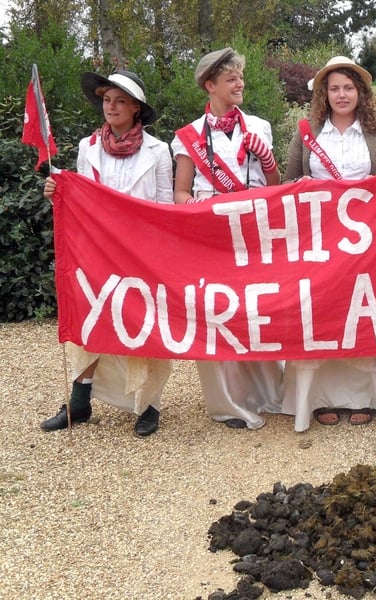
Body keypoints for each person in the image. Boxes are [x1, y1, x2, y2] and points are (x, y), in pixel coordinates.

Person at [40, 70, 173, 437]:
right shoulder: (88, 147)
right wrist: (59, 192)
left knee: (144, 325)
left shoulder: (159, 151)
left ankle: (148, 405)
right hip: (97, 251)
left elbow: (163, 207)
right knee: (90, 317)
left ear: (136, 109)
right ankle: (78, 403)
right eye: (106, 100)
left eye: (120, 101)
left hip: (141, 253)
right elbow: (81, 198)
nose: (110, 107)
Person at [171, 47, 283, 429]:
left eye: (240, 77)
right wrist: (204, 213)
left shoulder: (259, 126)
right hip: (212, 234)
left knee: (257, 308)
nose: (240, 84)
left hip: (253, 231)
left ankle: (268, 393)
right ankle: (229, 402)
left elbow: (275, 187)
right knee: (218, 312)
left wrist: (267, 160)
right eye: (231, 78)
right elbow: (181, 193)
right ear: (210, 86)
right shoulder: (188, 136)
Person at [282, 56, 376, 431]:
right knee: (321, 310)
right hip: (317, 238)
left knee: (359, 309)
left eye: (348, 88)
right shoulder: (308, 132)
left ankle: (362, 397)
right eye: (334, 89)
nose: (341, 95)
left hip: (362, 239)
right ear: (323, 95)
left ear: (360, 93)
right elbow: (289, 182)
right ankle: (319, 397)